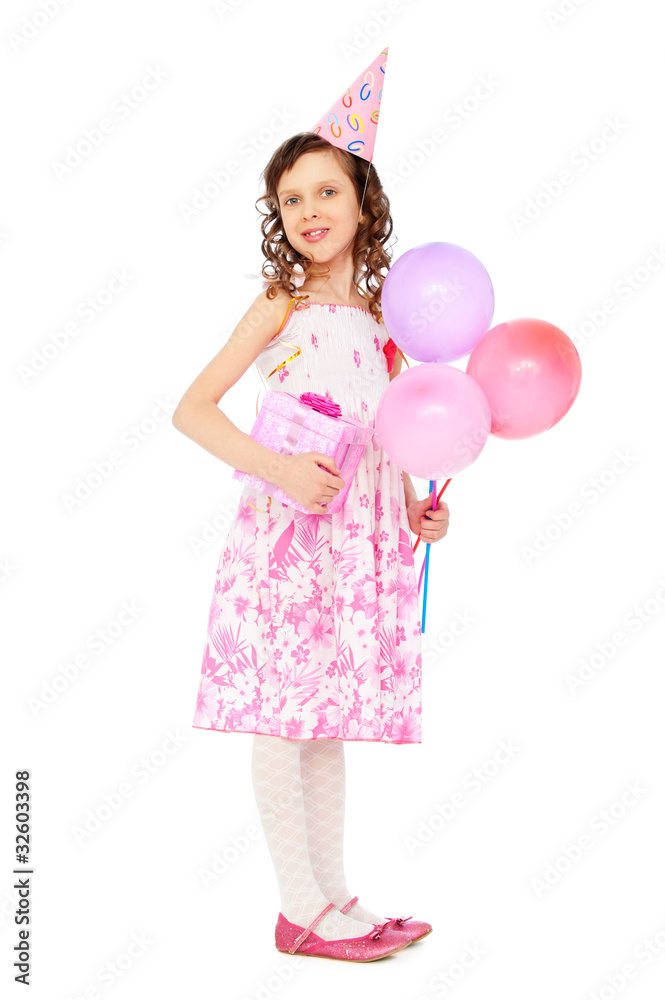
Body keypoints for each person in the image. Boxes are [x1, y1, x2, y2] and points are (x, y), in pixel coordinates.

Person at [173, 88, 450, 963]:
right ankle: (298, 909)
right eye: (291, 198)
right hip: (290, 543)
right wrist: (281, 468)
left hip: (355, 544)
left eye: (325, 192)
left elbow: (388, 431)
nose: (308, 211)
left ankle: (334, 900)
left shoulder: (384, 324)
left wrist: (412, 503)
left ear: (362, 202)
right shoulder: (279, 304)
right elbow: (193, 410)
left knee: (324, 721)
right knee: (282, 719)